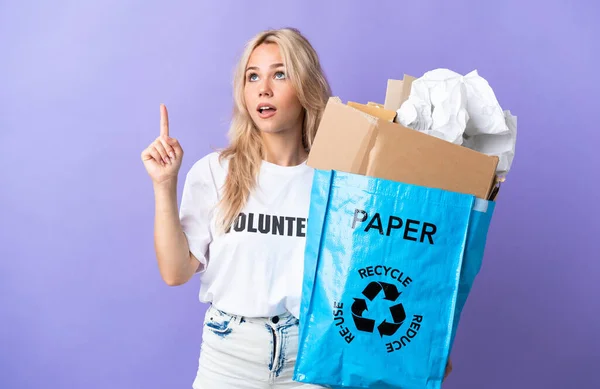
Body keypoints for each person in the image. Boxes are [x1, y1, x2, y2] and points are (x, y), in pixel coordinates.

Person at [141, 27, 452, 389]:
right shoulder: (215, 172)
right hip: (230, 357)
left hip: (310, 354)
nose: (263, 88)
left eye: (280, 74)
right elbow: (175, 272)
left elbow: (382, 263)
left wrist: (421, 343)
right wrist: (164, 185)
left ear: (306, 87)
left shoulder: (341, 180)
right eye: (252, 76)